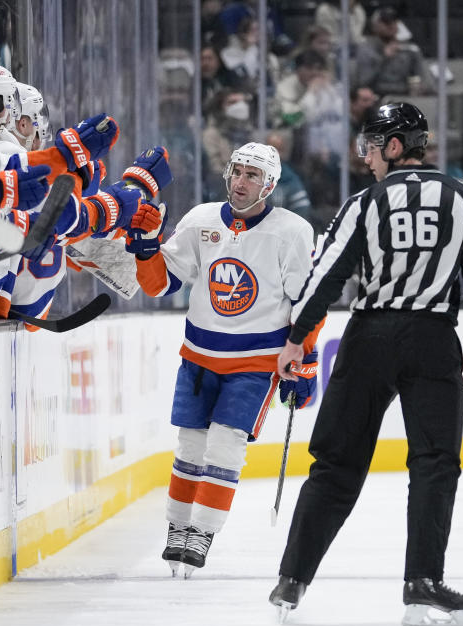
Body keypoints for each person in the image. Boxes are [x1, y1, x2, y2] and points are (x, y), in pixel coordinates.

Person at [269, 103, 463, 626]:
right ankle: (422, 586)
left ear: (395, 146)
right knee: (435, 463)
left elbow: (326, 275)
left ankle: (292, 580)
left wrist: (296, 338)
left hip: (368, 337)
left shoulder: (363, 203)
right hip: (432, 340)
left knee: (335, 463)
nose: (366, 158)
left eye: (371, 147)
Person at [122, 142, 320, 578]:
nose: (241, 182)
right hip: (199, 356)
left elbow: (307, 302)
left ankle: (203, 533)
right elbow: (160, 285)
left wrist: (305, 358)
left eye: (252, 175)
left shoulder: (292, 231)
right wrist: (144, 249)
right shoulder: (200, 219)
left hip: (256, 361)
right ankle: (177, 528)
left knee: (226, 444)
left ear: (269, 184)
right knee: (191, 447)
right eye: (237, 172)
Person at [354, 8, 428, 97]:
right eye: (386, 22)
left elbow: (422, 79)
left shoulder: (409, 50)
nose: (391, 25)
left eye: (394, 21)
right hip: (377, 96)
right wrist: (384, 58)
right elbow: (363, 82)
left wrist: (419, 87)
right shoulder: (365, 48)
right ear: (375, 25)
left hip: (404, 96)